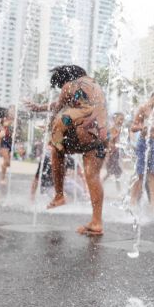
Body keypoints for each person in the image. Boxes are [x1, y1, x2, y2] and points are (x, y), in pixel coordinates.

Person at [26, 65, 108, 235]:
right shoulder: (94, 85)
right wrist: (39, 107)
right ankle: (96, 222)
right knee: (92, 176)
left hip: (81, 131)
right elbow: (68, 103)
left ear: (64, 79)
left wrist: (51, 131)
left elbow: (58, 109)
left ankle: (59, 195)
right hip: (101, 133)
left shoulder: (68, 86)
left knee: (56, 148)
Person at [129, 88, 154, 210]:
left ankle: (152, 204)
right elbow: (133, 127)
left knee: (153, 174)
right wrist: (142, 127)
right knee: (140, 174)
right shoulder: (143, 108)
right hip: (144, 143)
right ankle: (132, 202)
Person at [103, 112, 125, 190]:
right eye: (120, 119)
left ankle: (118, 190)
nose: (121, 121)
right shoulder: (112, 129)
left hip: (115, 154)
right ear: (114, 119)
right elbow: (109, 141)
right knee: (112, 172)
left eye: (123, 119)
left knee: (115, 173)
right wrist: (107, 155)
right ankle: (100, 185)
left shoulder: (119, 129)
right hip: (112, 154)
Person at [0, 107, 15, 185]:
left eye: (13, 110)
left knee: (8, 163)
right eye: (11, 111)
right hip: (4, 141)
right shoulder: (5, 119)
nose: (12, 112)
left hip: (10, 142)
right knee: (6, 161)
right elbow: (4, 125)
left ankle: (3, 166)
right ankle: (2, 178)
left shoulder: (15, 120)